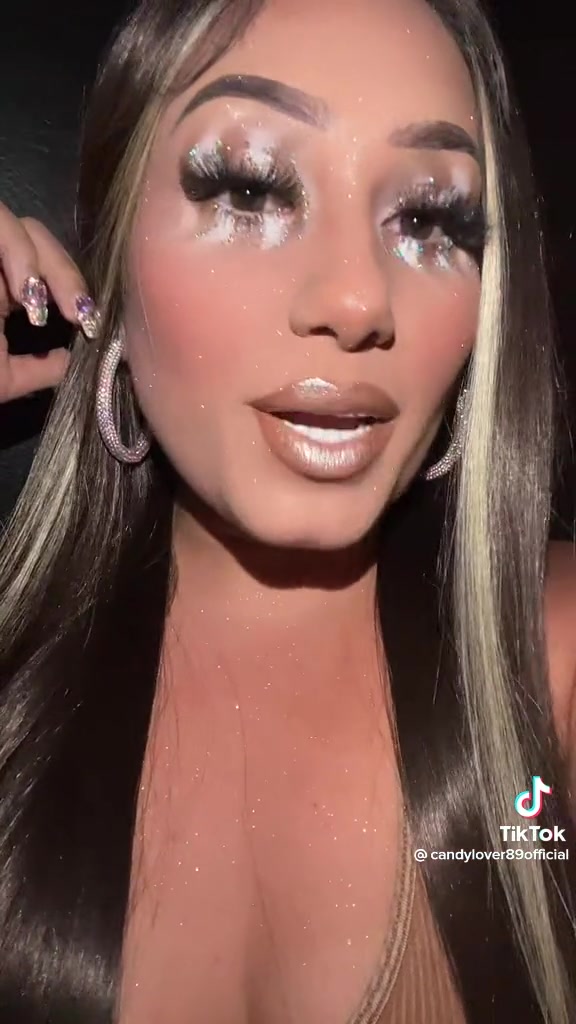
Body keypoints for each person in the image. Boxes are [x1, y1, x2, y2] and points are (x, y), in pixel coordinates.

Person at [1, 0, 576, 1021]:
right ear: (114, 258)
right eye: (251, 188)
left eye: (429, 218)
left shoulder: (554, 676)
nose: (357, 302)